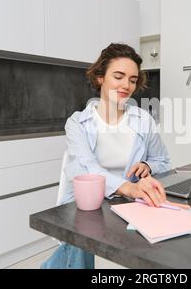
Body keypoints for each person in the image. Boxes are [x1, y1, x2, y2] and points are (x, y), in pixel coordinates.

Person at [41, 43, 172, 269]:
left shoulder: (143, 120)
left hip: (128, 203)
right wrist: (128, 187)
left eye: (132, 80)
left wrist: (147, 166)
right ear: (100, 77)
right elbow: (88, 170)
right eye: (119, 76)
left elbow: (164, 161)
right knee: (83, 234)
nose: (126, 85)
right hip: (87, 205)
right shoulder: (78, 123)